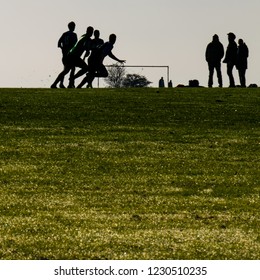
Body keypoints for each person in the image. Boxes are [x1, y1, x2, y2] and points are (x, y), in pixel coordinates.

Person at [57, 21, 78, 88]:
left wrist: (62, 48)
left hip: (64, 54)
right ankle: (70, 83)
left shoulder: (64, 34)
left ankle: (61, 83)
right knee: (72, 68)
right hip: (70, 54)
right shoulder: (74, 35)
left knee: (65, 69)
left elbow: (59, 43)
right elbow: (75, 44)